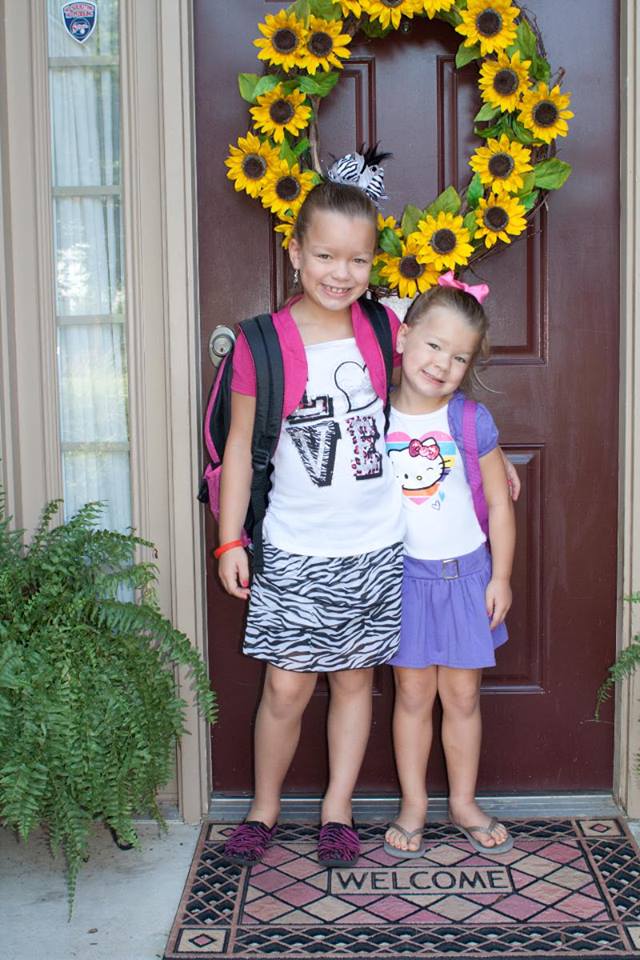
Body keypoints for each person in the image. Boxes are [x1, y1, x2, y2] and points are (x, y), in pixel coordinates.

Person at [216, 178, 406, 868]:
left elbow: (433, 401)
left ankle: (337, 810)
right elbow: (240, 447)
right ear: (295, 252)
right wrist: (230, 539)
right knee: (287, 686)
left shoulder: (385, 329)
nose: (341, 273)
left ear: (374, 263)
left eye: (358, 259)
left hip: (375, 545)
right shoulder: (261, 342)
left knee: (354, 681)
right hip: (295, 547)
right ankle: (263, 809)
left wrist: (489, 459)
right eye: (325, 256)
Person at [383, 277, 516, 859]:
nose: (442, 364)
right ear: (404, 337)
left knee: (462, 697)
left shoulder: (471, 421)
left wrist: (501, 576)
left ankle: (462, 801)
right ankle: (414, 804)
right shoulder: (372, 416)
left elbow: (501, 509)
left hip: (466, 578)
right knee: (412, 695)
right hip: (402, 580)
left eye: (459, 357)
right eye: (434, 345)